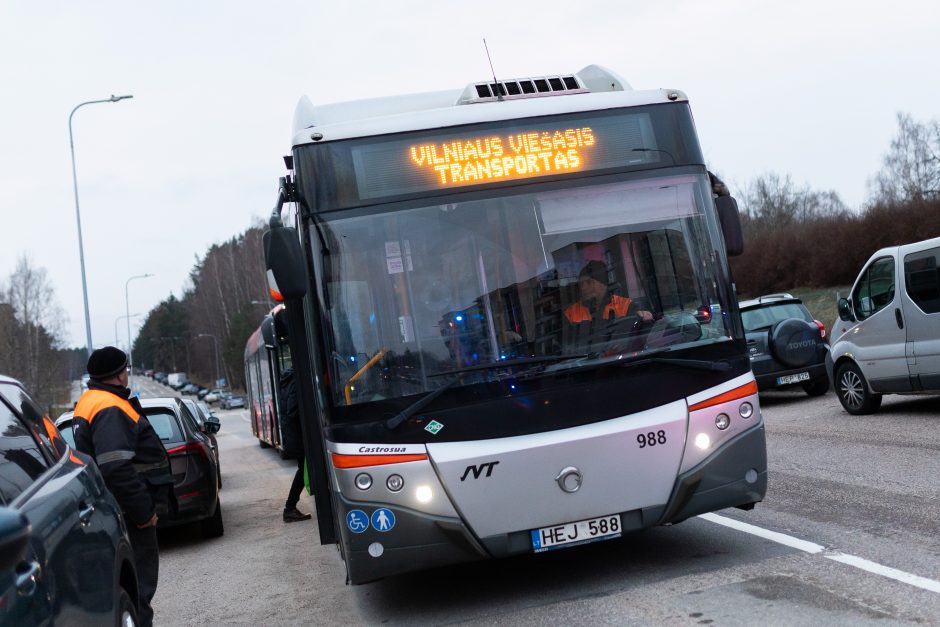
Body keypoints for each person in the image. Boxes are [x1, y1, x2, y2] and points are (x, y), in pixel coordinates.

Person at [73, 346, 172, 627]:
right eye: (126, 369)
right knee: (139, 593)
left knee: (132, 592)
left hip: (117, 508)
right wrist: (144, 513)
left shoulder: (90, 400)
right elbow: (115, 466)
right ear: (118, 375)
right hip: (131, 514)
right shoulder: (110, 407)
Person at [563, 260, 654, 349]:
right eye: (581, 284)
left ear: (603, 284)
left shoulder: (625, 305)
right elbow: (566, 347)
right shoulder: (571, 313)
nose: (583, 288)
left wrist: (643, 315)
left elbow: (638, 327)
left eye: (589, 282)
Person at [279, 367, 312, 523]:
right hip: (298, 435)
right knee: (303, 470)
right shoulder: (295, 382)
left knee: (303, 469)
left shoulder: (287, 381)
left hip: (294, 435)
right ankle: (289, 508)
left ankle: (290, 508)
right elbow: (294, 410)